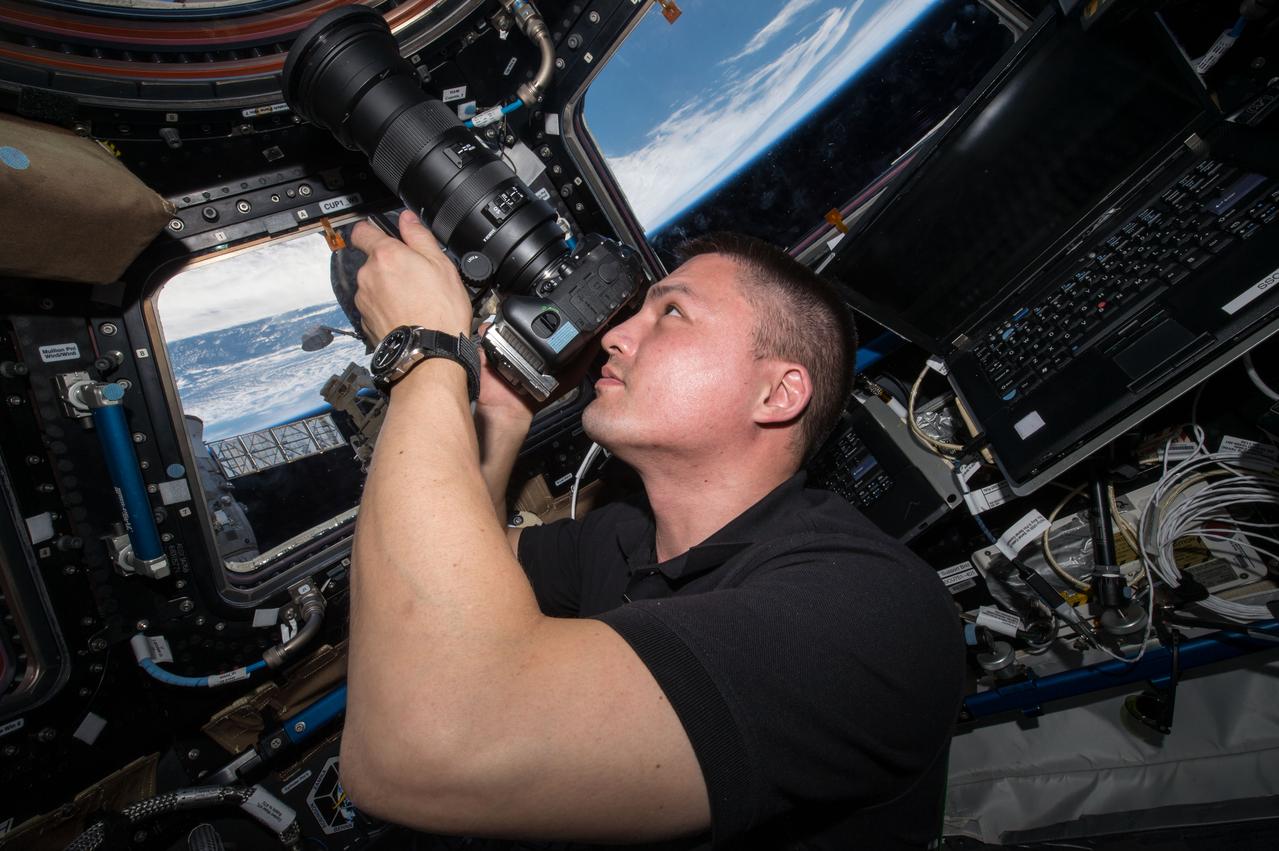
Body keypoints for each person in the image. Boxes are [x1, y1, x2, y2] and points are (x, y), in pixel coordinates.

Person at [340, 209, 964, 850]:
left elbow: (425, 747)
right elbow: (437, 566)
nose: (613, 337)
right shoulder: (621, 534)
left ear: (777, 395)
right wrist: (502, 414)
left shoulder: (868, 612)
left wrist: (427, 357)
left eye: (671, 314)